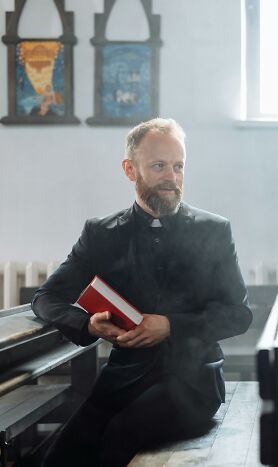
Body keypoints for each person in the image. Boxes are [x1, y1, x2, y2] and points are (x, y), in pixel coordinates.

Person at [32, 118, 252, 467]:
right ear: (130, 169)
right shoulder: (101, 233)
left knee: (119, 437)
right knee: (60, 457)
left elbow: (238, 314)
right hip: (123, 379)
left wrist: (169, 326)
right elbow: (46, 298)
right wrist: (88, 324)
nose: (172, 176)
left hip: (193, 383)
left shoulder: (214, 231)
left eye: (179, 166)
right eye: (159, 166)